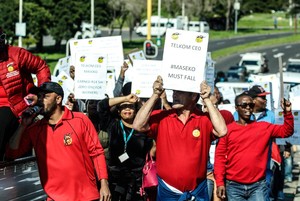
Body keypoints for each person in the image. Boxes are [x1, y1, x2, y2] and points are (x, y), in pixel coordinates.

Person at [6, 81, 111, 201]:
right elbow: (12, 153)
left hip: (85, 196)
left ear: (58, 99)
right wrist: (23, 125)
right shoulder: (34, 129)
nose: (41, 100)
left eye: (45, 96)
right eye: (39, 97)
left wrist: (104, 184)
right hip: (54, 197)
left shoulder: (80, 120)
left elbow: (96, 153)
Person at [133, 76, 227, 200]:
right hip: (168, 192)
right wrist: (155, 95)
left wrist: (207, 100)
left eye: (179, 92)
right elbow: (137, 125)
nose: (174, 95)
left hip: (197, 191)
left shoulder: (204, 119)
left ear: (193, 96)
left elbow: (222, 131)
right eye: (174, 91)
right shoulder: (162, 117)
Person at [215, 92, 294, 201]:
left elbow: (287, 131)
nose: (248, 107)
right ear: (236, 108)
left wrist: (288, 112)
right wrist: (219, 183)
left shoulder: (264, 127)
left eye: (251, 105)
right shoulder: (227, 130)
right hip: (233, 186)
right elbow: (219, 158)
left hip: (258, 186)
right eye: (244, 105)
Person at [0, 27, 51, 161]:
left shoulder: (16, 54)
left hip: (15, 106)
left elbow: (41, 67)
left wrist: (41, 96)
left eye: (2, 38)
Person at [97, 93, 153, 201]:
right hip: (115, 180)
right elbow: (101, 105)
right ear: (118, 111)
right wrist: (126, 98)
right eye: (123, 107)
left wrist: (140, 102)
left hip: (137, 182)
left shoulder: (144, 129)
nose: (127, 109)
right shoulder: (113, 125)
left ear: (136, 110)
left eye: (131, 107)